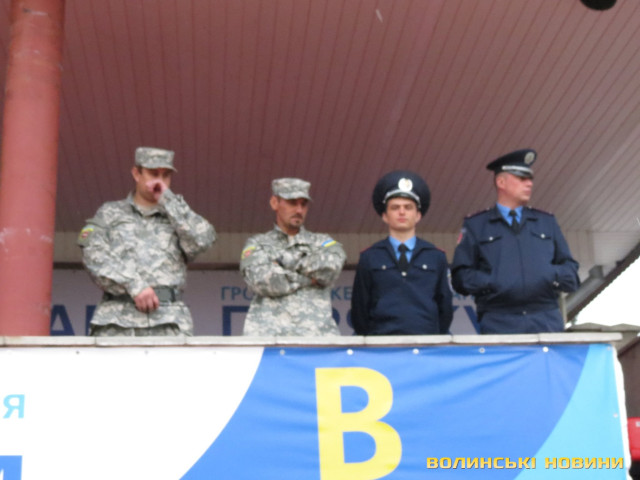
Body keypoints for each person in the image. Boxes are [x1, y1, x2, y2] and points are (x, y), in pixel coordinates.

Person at [77, 147, 216, 336]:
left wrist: (169, 201)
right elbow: (93, 255)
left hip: (168, 322)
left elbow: (204, 239)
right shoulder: (110, 213)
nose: (159, 181)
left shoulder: (176, 215)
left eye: (166, 175)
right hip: (116, 323)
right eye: (153, 173)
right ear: (137, 174)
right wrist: (134, 285)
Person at [451, 148, 579, 334]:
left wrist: (547, 275)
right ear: (501, 182)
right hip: (498, 321)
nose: (529, 183)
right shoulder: (476, 225)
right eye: (521, 178)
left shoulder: (546, 222)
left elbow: (571, 272)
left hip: (546, 320)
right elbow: (461, 278)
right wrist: (494, 282)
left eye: (530, 179)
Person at [350, 170, 453, 335]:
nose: (402, 212)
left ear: (418, 215)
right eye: (395, 207)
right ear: (385, 216)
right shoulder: (370, 257)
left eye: (408, 207)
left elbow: (445, 307)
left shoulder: (435, 256)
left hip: (427, 341)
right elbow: (360, 308)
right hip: (382, 341)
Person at [240, 178, 346, 336]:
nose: (299, 210)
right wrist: (309, 279)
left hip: (316, 336)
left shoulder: (323, 242)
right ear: (274, 203)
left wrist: (283, 261)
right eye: (292, 203)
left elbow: (331, 268)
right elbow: (262, 280)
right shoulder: (257, 243)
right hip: (269, 337)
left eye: (303, 204)